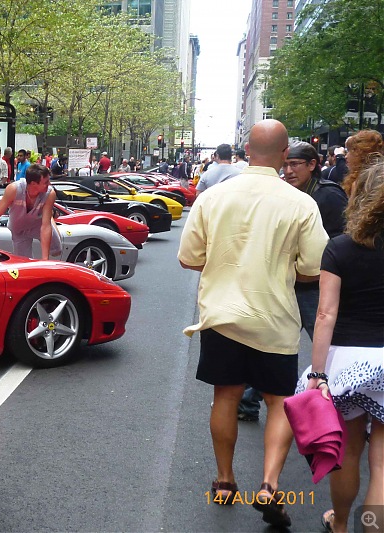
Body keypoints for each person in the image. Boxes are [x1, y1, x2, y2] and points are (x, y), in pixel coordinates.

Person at [177, 119, 328, 528]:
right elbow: (314, 267)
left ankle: (225, 481)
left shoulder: (214, 197)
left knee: (226, 396)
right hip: (274, 318)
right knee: (279, 400)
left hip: (222, 316)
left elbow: (189, 258)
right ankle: (269, 484)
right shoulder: (300, 203)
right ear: (284, 155)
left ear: (246, 149)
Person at [300, 161, 384, 533]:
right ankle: (373, 527)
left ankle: (341, 524)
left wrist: (318, 373)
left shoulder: (340, 248)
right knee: (381, 464)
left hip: (348, 361)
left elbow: (325, 315)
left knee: (348, 452)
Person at [238, 141, 348, 422]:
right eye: (286, 164)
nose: (288, 170)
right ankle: (248, 403)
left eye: (295, 165)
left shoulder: (328, 196)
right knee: (270, 345)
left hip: (315, 287)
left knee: (328, 347)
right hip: (286, 284)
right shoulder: (285, 193)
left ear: (312, 165)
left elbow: (340, 242)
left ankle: (343, 403)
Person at [0, 163, 61, 260]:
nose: (49, 184)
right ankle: (48, 216)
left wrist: (45, 260)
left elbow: (45, 226)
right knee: (24, 263)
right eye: (46, 182)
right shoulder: (14, 189)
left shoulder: (49, 193)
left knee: (57, 251)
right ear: (34, 183)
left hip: (38, 224)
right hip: (19, 229)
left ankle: (50, 217)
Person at [343, 129, 384, 196]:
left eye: (350, 150)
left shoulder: (361, 183)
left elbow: (353, 206)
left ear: (360, 153)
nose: (346, 156)